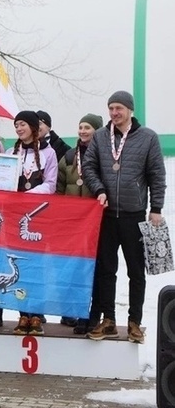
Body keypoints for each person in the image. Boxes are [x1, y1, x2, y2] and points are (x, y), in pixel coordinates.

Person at [83, 91, 166, 344]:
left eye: (119, 108)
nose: (114, 113)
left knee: (136, 272)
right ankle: (108, 320)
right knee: (106, 270)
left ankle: (134, 322)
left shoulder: (148, 137)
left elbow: (157, 174)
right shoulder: (99, 137)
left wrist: (156, 208)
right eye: (111, 108)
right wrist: (99, 190)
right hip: (106, 215)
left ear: (130, 110)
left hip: (135, 215)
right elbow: (88, 166)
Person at [9, 110, 58, 336]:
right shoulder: (11, 153)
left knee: (37, 267)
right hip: (15, 218)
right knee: (19, 267)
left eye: (22, 125)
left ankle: (36, 314)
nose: (19, 129)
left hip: (38, 217)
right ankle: (22, 314)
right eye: (16, 125)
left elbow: (50, 185)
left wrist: (28, 196)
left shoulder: (49, 153)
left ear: (33, 127)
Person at [56, 113, 104, 333]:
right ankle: (71, 312)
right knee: (73, 268)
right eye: (81, 127)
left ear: (97, 131)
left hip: (96, 223)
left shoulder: (105, 155)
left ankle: (93, 315)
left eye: (88, 128)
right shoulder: (67, 157)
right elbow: (59, 189)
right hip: (72, 224)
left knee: (94, 270)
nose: (83, 131)